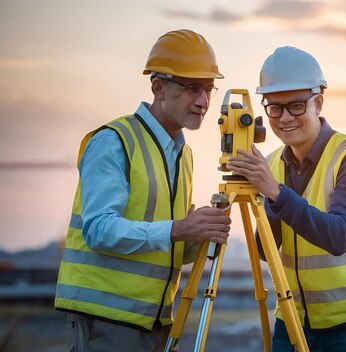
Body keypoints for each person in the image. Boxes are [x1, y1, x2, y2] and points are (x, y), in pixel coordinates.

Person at [54, 29, 231, 352]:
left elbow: (168, 245)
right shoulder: (115, 141)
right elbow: (99, 229)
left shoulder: (183, 154)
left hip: (156, 322)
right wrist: (179, 228)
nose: (204, 101)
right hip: (107, 320)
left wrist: (199, 233)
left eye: (208, 89)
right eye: (192, 88)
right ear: (158, 87)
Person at [227, 46, 346, 351]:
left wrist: (276, 192)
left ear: (318, 102)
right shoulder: (273, 163)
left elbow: (340, 236)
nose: (284, 117)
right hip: (292, 319)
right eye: (274, 107)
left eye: (297, 106)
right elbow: (266, 250)